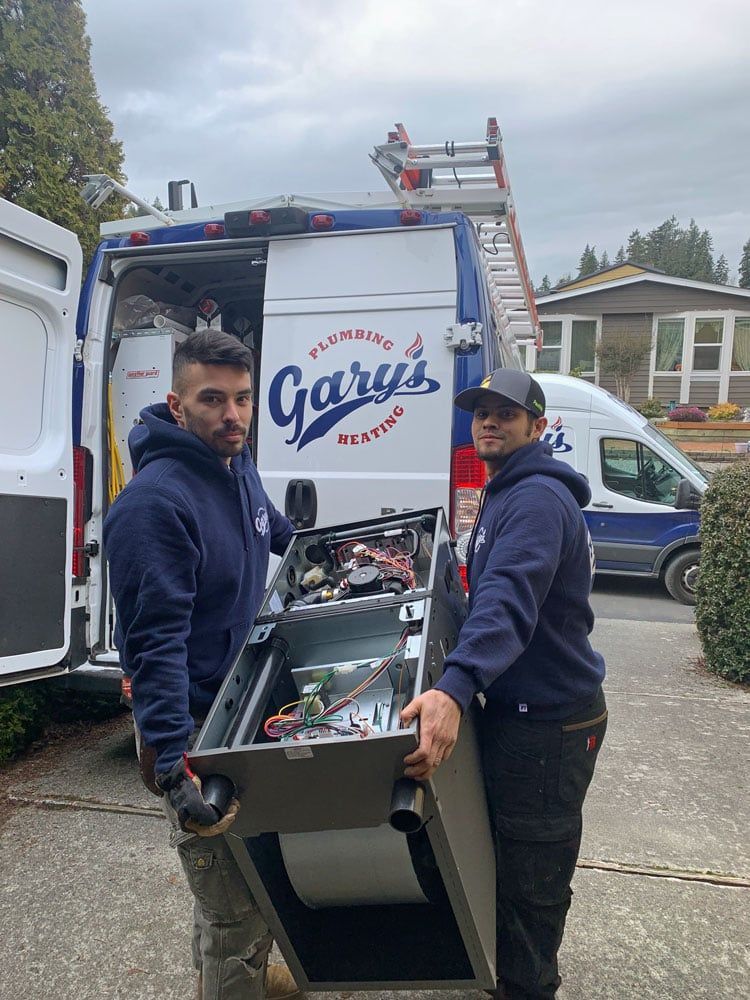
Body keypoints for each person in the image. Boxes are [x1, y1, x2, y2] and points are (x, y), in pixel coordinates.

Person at [103, 330, 302, 1000]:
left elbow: (263, 522)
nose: (234, 415)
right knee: (234, 907)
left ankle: (227, 972)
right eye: (213, 399)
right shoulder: (154, 506)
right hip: (191, 732)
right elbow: (154, 644)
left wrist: (309, 548)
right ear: (176, 403)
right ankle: (231, 979)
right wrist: (169, 762)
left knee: (237, 886)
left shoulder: (233, 459)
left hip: (239, 705)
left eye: (243, 399)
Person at [401, 369, 607, 1000]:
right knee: (500, 864)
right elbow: (479, 592)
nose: (489, 421)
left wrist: (456, 685)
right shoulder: (503, 492)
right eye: (481, 411)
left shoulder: (538, 501)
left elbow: (509, 598)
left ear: (538, 427)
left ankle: (526, 987)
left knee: (531, 885)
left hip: (551, 726)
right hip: (516, 712)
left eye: (507, 413)